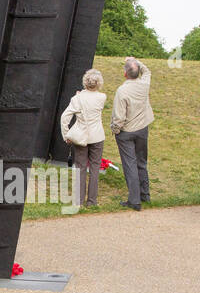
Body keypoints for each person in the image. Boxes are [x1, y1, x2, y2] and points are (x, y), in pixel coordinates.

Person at [60, 69, 107, 209]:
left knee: (80, 168)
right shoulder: (102, 97)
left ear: (85, 82)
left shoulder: (77, 99)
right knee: (94, 168)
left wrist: (66, 134)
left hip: (80, 137)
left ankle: (78, 201)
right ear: (99, 83)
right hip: (97, 136)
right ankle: (92, 201)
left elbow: (64, 117)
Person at [111, 56, 153, 210]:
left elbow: (119, 116)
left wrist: (115, 130)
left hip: (126, 131)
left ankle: (135, 200)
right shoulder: (144, 84)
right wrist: (136, 61)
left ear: (125, 74)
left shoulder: (122, 90)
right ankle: (145, 194)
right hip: (142, 128)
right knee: (141, 162)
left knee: (130, 165)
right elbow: (147, 71)